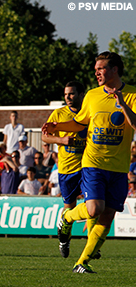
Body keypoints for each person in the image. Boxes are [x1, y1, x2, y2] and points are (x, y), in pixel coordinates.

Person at [42, 52, 136, 273]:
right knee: (94, 208)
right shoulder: (92, 96)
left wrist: (122, 104)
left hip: (119, 167)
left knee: (107, 215)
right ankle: (67, 217)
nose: (97, 73)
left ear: (115, 69)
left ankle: (82, 262)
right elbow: (79, 122)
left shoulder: (133, 94)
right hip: (93, 162)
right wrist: (58, 127)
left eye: (101, 68)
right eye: (96, 69)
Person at [42, 81, 88, 259]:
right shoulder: (59, 113)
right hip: (67, 169)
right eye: (66, 94)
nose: (68, 97)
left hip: (87, 167)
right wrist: (61, 141)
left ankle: (93, 245)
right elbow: (45, 136)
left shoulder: (88, 112)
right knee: (69, 208)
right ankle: (64, 240)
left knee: (94, 203)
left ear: (81, 94)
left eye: (72, 94)